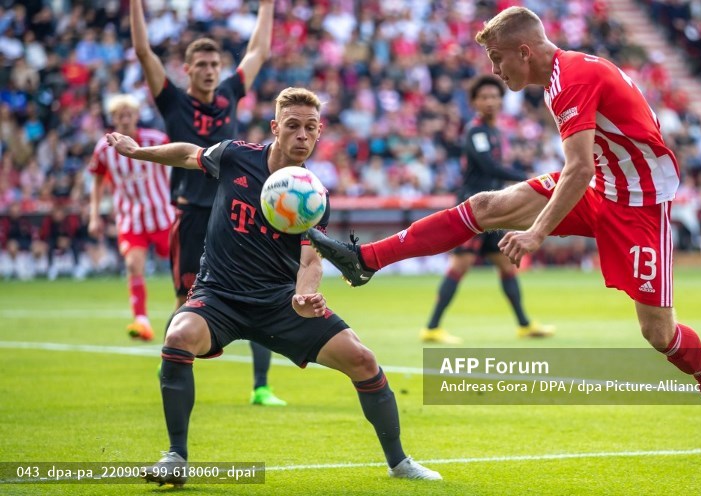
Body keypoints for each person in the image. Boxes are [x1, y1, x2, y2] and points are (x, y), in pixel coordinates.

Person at [308, 7, 701, 447]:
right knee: (485, 206)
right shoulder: (560, 78)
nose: (495, 70)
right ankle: (366, 260)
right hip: (603, 186)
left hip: (640, 204)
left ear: (525, 52)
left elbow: (579, 168)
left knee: (658, 333)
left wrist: (537, 232)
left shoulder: (571, 80)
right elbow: (589, 165)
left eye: (497, 58)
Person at [106, 87, 441, 485]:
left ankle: (400, 463)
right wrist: (136, 151)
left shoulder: (314, 194)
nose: (302, 135)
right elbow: (186, 154)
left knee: (363, 360)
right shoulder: (234, 155)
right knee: (178, 336)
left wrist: (304, 295)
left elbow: (311, 259)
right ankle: (176, 456)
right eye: (293, 126)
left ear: (319, 132)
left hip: (279, 303)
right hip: (219, 296)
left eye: (310, 128)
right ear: (275, 128)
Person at [130, 0, 284, 405]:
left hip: (234, 211)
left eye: (215, 64)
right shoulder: (173, 101)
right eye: (201, 64)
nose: (210, 70)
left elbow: (258, 51)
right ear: (187, 69)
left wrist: (267, 6)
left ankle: (261, 387)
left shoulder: (230, 93)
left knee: (259, 291)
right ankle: (172, 363)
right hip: (192, 215)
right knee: (186, 300)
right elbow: (144, 52)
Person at [421, 75, 553, 344]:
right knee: (460, 265)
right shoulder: (476, 131)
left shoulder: (495, 132)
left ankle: (524, 325)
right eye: (484, 97)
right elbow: (489, 167)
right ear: (474, 102)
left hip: (493, 209)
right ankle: (432, 328)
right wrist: (526, 178)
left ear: (501, 101)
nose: (490, 101)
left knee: (506, 265)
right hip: (474, 209)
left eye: (494, 96)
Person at [88, 95, 174, 340]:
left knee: (184, 265)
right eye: (120, 115)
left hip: (163, 215)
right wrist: (94, 215)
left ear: (137, 116)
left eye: (129, 114)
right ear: (113, 119)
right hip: (130, 219)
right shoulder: (103, 148)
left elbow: (178, 163)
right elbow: (97, 182)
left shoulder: (155, 140)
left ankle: (199, 309)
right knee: (133, 265)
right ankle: (141, 321)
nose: (125, 119)